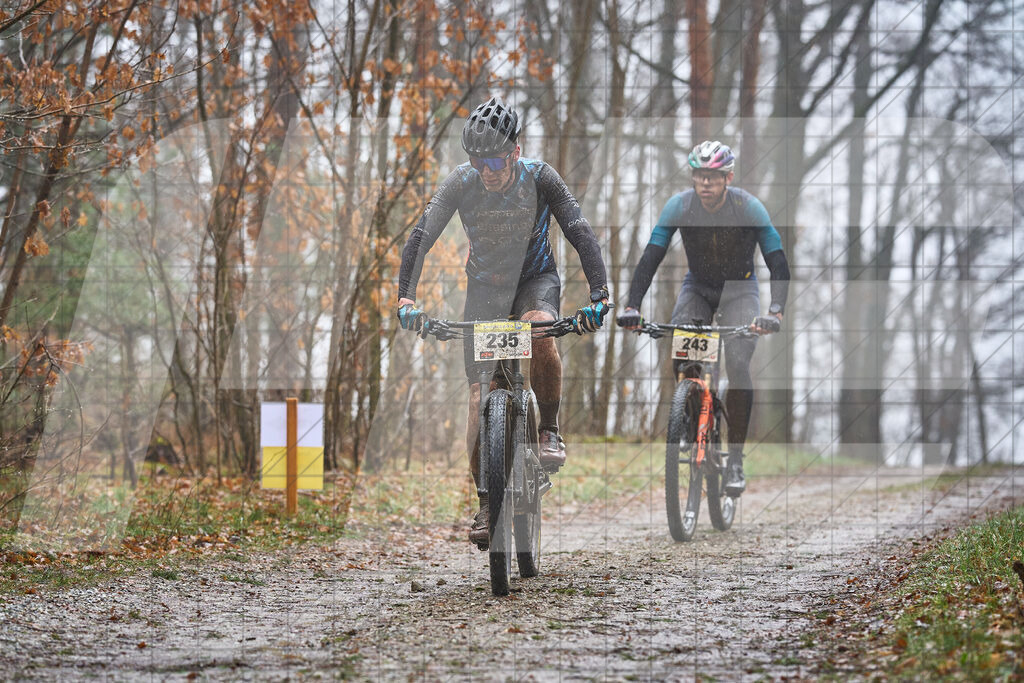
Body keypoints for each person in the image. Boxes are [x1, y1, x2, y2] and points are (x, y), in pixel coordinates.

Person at [396, 97, 611, 546]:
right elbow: (421, 234)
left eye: (494, 160)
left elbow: (579, 230)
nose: (486, 171)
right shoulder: (463, 181)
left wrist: (599, 294)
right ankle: (487, 501)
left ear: (515, 151)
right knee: (480, 396)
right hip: (485, 289)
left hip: (534, 281)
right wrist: (406, 298)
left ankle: (549, 429)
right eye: (477, 161)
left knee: (541, 334)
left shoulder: (541, 177)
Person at [617, 140, 790, 496]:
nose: (705, 183)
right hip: (697, 286)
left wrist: (775, 311)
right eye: (699, 176)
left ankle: (735, 458)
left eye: (713, 176)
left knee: (738, 363)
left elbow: (777, 259)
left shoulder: (748, 207)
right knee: (683, 353)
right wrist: (632, 306)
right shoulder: (679, 206)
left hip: (740, 289)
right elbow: (652, 256)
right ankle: (689, 412)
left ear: (728, 177)